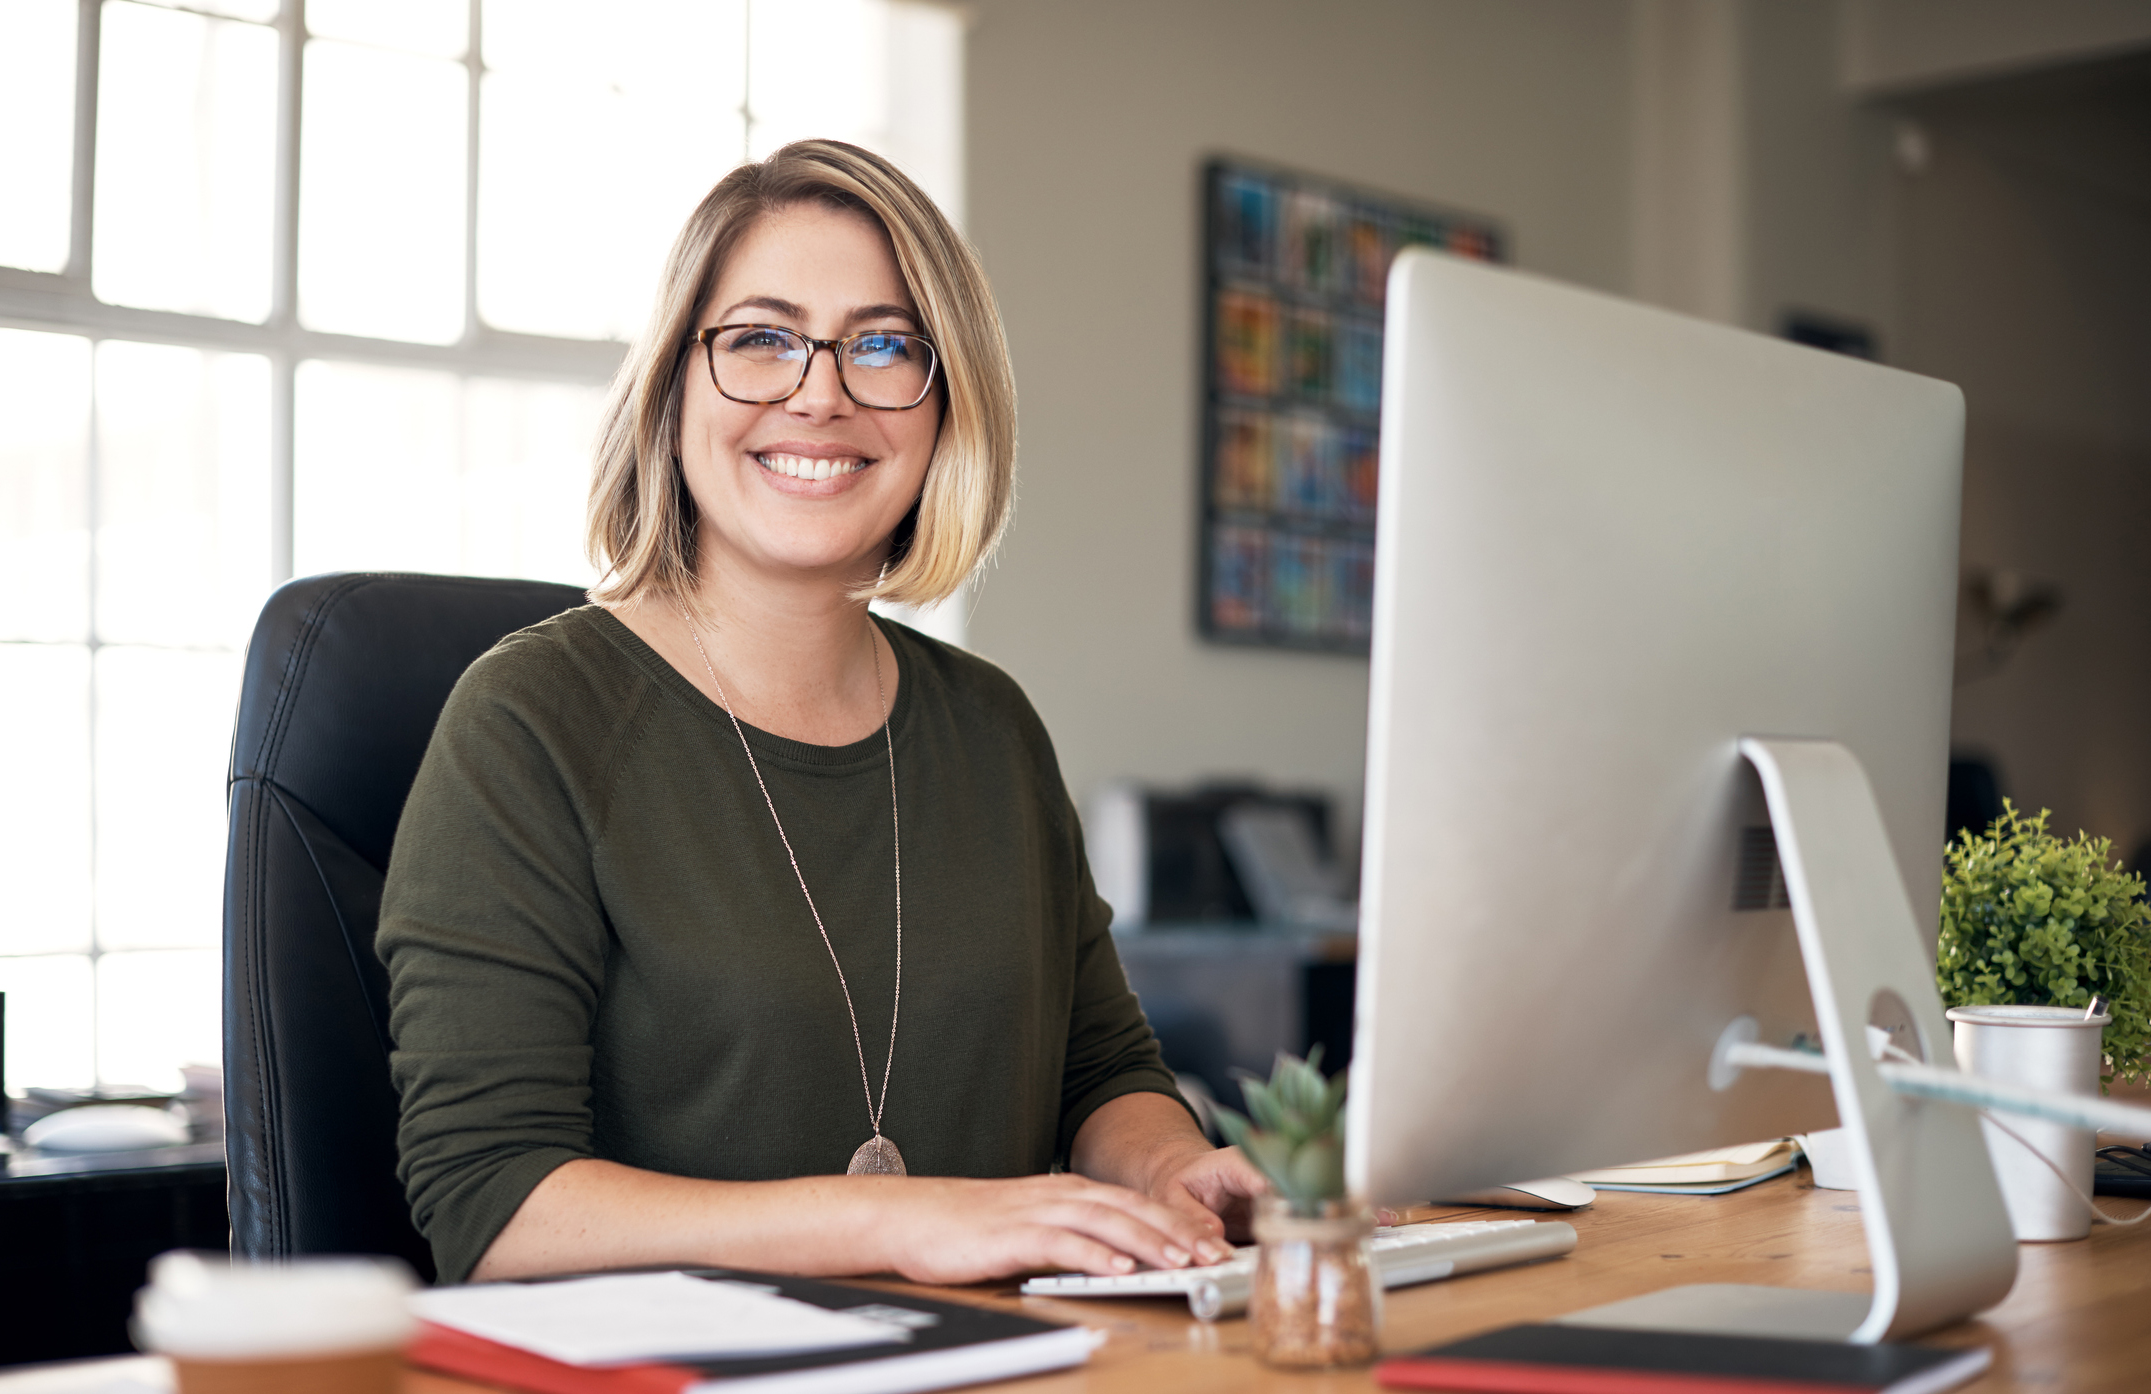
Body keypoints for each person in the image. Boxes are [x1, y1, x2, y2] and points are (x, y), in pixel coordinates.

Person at [376, 139, 1266, 1287]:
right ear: (674, 385)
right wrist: (898, 1223)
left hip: (1009, 1358)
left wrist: (1173, 1170)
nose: (820, 392)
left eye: (884, 345)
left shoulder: (991, 728)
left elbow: (1099, 1070)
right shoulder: (529, 720)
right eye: (761, 338)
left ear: (945, 408)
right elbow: (494, 1206)